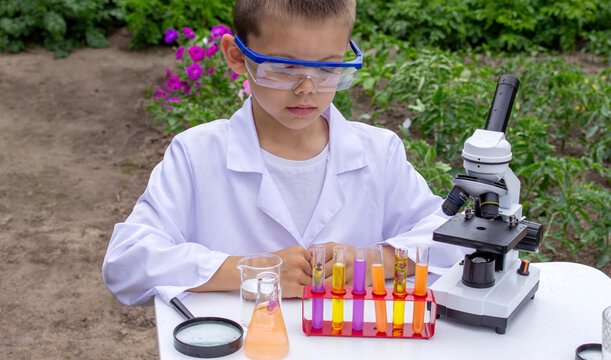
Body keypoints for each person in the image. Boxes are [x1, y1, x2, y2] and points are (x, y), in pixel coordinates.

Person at [102, 0, 467, 306]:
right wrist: (252, 269)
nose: (307, 88)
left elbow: (453, 241)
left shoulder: (379, 153)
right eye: (285, 67)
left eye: (328, 67)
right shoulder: (197, 154)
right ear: (236, 55)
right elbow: (127, 263)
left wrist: (370, 260)